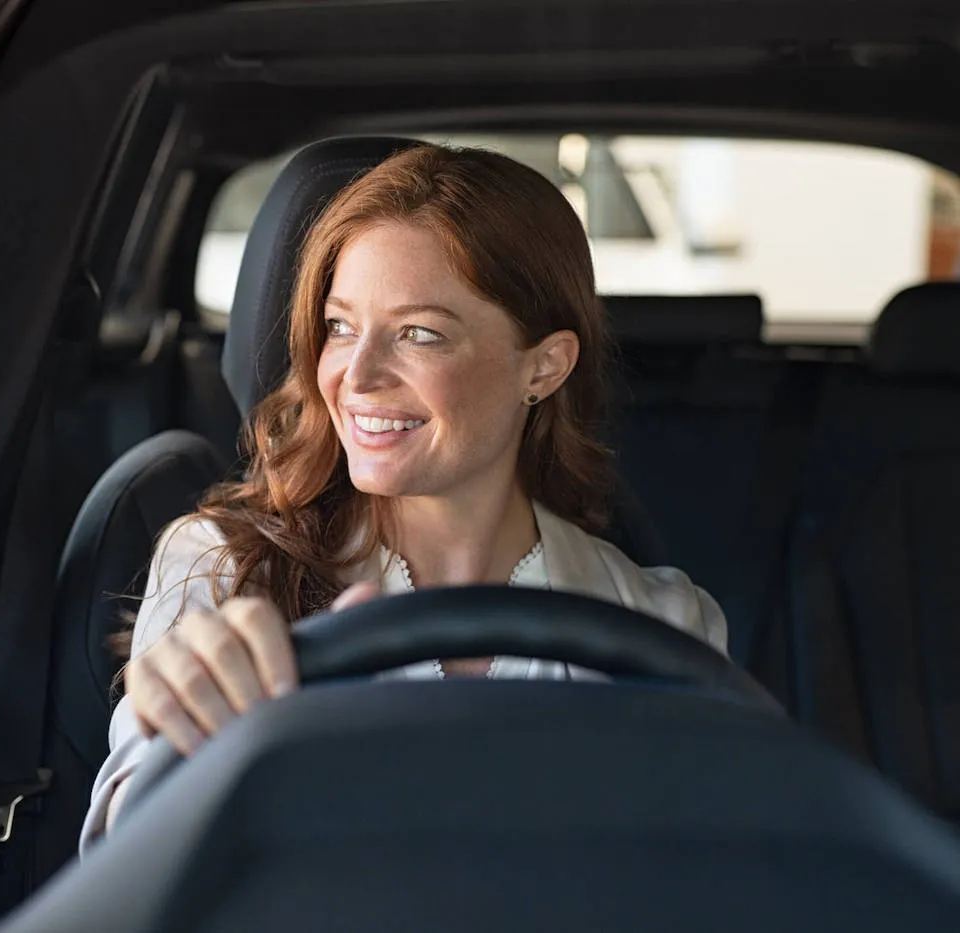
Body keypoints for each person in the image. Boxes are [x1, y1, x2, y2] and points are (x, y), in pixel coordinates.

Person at [81, 143, 728, 848]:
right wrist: (186, 727)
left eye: (419, 333)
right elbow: (129, 858)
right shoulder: (224, 569)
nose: (356, 376)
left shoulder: (663, 625)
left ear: (543, 366)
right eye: (340, 327)